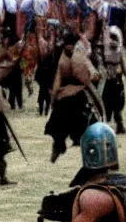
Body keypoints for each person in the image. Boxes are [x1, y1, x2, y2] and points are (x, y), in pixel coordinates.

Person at [44, 31, 102, 163]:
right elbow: (57, 82)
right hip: (65, 97)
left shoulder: (79, 56)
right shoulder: (62, 60)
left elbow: (91, 71)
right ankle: (58, 147)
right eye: (67, 45)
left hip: (78, 95)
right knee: (58, 127)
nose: (69, 48)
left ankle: (91, 153)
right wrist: (53, 100)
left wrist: (93, 75)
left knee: (88, 127)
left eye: (71, 45)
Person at [101, 25, 126, 134]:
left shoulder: (108, 50)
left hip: (113, 78)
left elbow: (122, 63)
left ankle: (114, 124)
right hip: (113, 78)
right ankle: (115, 124)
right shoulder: (114, 50)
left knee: (112, 103)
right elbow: (123, 63)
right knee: (114, 103)